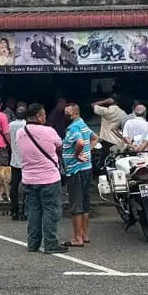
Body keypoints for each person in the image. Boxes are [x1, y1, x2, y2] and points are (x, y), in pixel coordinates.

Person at [15, 103, 67, 254]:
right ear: (38, 116)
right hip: (49, 178)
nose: (45, 117)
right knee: (50, 211)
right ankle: (51, 244)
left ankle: (33, 243)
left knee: (33, 211)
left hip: (29, 178)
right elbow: (59, 144)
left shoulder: (20, 132)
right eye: (44, 115)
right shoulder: (48, 131)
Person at [62, 103, 96, 248]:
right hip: (87, 168)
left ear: (75, 114)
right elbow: (95, 137)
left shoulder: (73, 127)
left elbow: (80, 142)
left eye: (67, 113)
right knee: (85, 203)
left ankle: (77, 238)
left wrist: (77, 155)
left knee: (76, 203)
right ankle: (84, 234)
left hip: (75, 170)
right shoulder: (83, 124)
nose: (65, 115)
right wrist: (88, 153)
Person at [8, 103, 28, 220]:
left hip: (14, 160)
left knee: (14, 186)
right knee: (26, 187)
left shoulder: (10, 125)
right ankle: (24, 211)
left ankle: (14, 210)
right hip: (26, 161)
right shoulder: (27, 125)